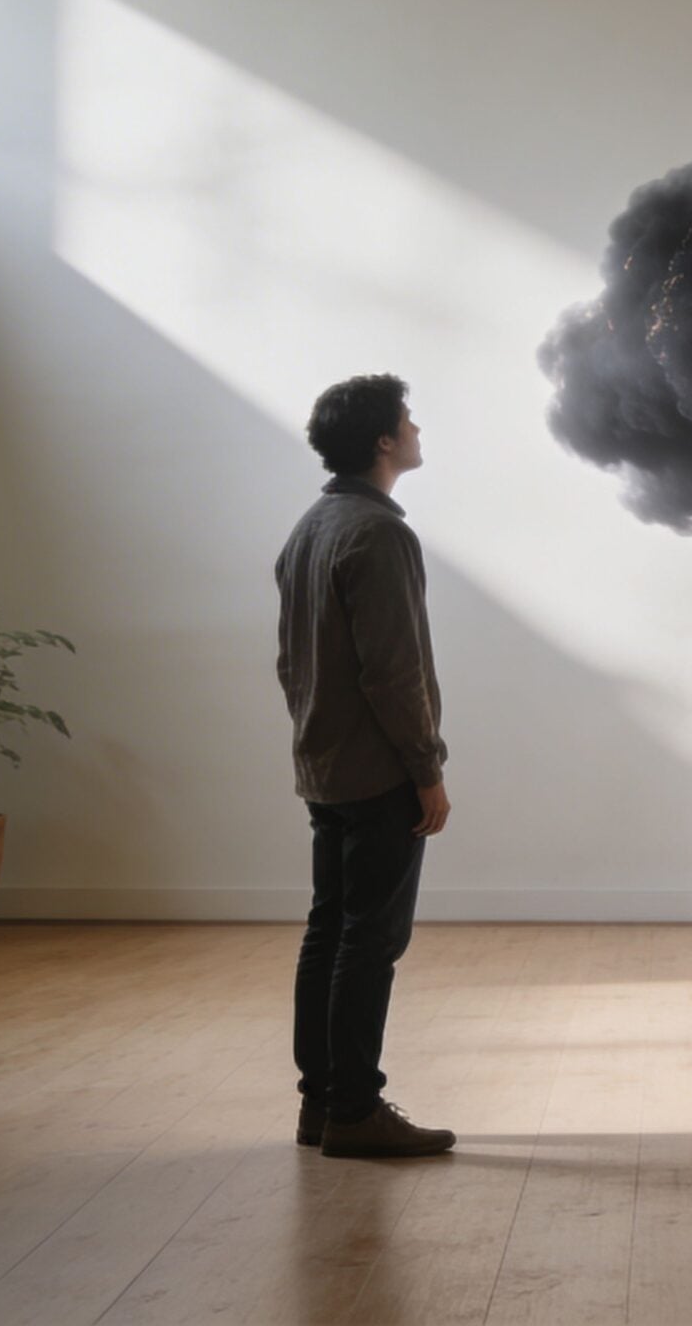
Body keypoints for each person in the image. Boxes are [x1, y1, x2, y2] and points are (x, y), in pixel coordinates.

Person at [274, 373, 456, 1158]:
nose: (416, 430)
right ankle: (355, 1111)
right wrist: (427, 769)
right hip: (378, 772)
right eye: (407, 420)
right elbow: (394, 672)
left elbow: (291, 663)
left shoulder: (312, 527)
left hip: (325, 766)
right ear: (384, 441)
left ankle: (321, 1106)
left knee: (329, 932)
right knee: (368, 942)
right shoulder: (379, 534)